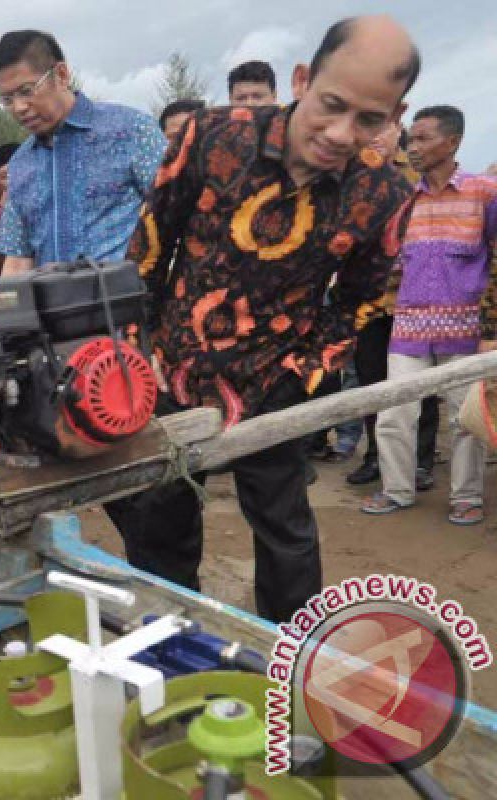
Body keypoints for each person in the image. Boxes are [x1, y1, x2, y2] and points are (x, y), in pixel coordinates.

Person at [106, 15, 420, 623]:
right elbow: (149, 245)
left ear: (395, 114)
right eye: (331, 105)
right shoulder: (214, 135)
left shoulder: (380, 194)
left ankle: (289, 655)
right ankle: (169, 640)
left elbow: (357, 301)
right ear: (302, 79)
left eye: (369, 119)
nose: (340, 132)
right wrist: (137, 348)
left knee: (285, 533)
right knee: (159, 519)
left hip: (274, 386)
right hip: (171, 370)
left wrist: (305, 370)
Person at [363, 106, 497, 525]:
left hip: (465, 331)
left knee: (465, 419)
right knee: (393, 414)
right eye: (412, 139)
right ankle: (397, 489)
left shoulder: (485, 194)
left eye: (423, 139)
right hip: (408, 328)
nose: (413, 147)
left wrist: (491, 330)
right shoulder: (405, 200)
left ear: (452, 142)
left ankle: (466, 495)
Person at [0, 30, 166, 273]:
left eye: (27, 91)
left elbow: (173, 214)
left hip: (129, 301)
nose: (19, 107)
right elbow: (18, 257)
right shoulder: (21, 162)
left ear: (61, 75)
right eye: (7, 99)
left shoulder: (132, 131)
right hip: (52, 305)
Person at [347, 121, 439, 488]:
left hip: (415, 299)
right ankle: (376, 456)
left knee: (421, 383)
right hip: (368, 299)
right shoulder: (352, 176)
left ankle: (420, 461)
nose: (373, 136)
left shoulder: (419, 177)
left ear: (397, 128)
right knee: (371, 382)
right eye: (367, 126)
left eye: (381, 127)